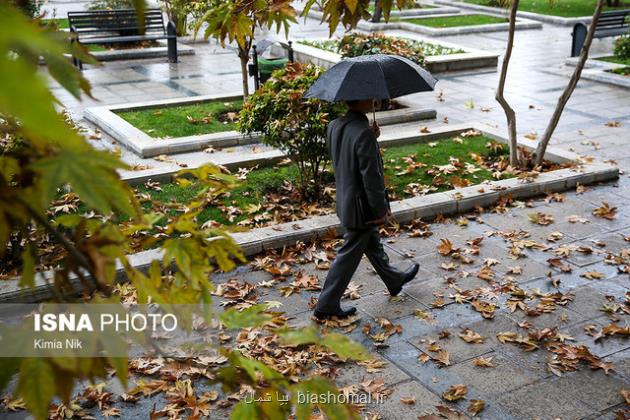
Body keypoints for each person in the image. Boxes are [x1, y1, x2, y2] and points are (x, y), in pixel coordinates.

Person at [314, 99, 420, 320]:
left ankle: (394, 280)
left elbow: (347, 155)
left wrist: (372, 138)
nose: (374, 100)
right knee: (349, 253)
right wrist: (380, 210)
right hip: (362, 208)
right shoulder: (363, 132)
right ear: (363, 100)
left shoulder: (334, 125)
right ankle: (326, 304)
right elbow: (371, 177)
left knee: (371, 243)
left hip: (346, 201)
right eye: (370, 98)